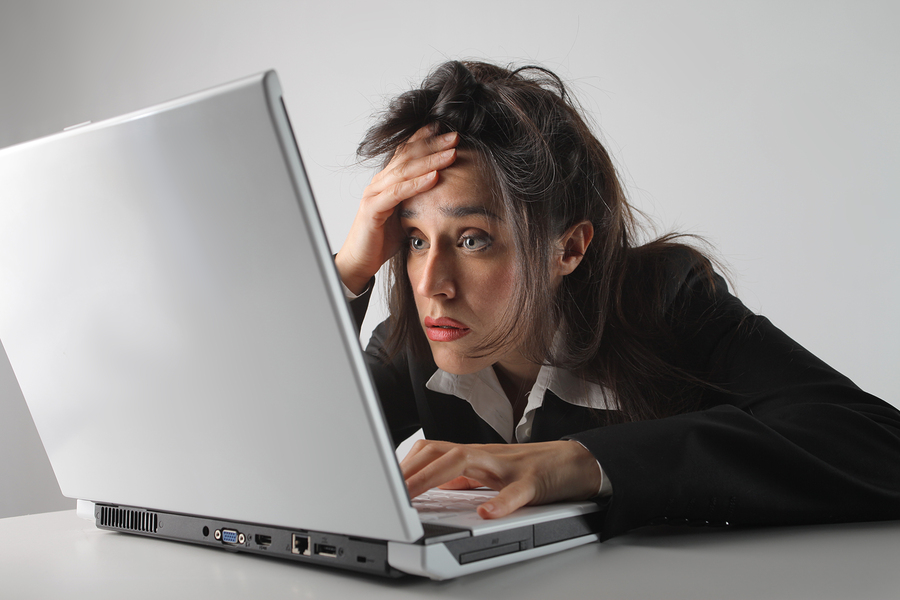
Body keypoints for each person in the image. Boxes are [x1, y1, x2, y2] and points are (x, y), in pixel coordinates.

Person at [334, 60, 900, 541]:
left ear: (570, 248)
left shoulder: (665, 301)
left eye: (472, 239)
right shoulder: (416, 339)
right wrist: (347, 273)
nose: (432, 282)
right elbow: (282, 461)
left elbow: (879, 443)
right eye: (413, 240)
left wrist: (584, 460)